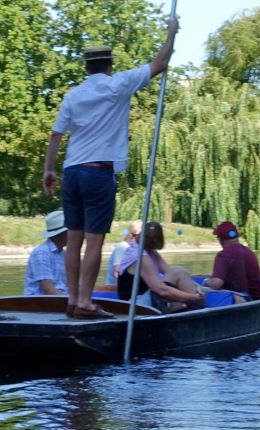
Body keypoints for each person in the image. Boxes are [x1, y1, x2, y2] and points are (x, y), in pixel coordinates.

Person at [41, 17, 179, 321]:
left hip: (72, 173)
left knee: (73, 241)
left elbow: (55, 135)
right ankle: (86, 303)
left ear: (86, 68)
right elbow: (160, 63)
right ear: (110, 66)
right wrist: (171, 32)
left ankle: (73, 300)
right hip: (97, 173)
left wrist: (48, 170)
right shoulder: (119, 84)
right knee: (94, 241)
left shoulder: (73, 95)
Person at [114, 222, 205, 311]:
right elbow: (162, 290)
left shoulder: (150, 251)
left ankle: (196, 299)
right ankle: (196, 302)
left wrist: (197, 286)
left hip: (147, 297)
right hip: (135, 304)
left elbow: (171, 272)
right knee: (178, 272)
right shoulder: (140, 257)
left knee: (180, 270)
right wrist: (192, 297)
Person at [206, 220, 260, 299]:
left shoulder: (223, 255)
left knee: (200, 291)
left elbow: (217, 284)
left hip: (241, 301)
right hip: (259, 298)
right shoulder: (249, 252)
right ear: (237, 237)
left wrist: (207, 282)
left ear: (220, 239)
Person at [24, 210, 70, 297]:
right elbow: (47, 289)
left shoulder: (64, 254)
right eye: (70, 231)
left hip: (58, 299)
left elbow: (69, 285)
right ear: (61, 234)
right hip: (40, 303)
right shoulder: (41, 252)